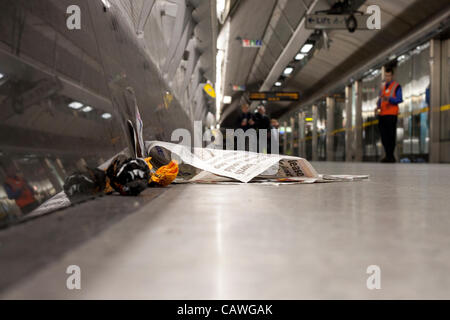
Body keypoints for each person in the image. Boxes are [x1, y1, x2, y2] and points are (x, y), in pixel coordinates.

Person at [376, 67, 403, 163]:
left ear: (392, 76)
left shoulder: (397, 86)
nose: (387, 77)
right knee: (384, 136)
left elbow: (400, 99)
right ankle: (387, 155)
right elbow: (380, 99)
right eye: (386, 75)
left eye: (389, 75)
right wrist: (378, 106)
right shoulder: (383, 87)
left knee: (391, 136)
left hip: (391, 114)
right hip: (382, 114)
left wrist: (390, 99)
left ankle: (390, 156)